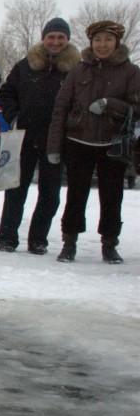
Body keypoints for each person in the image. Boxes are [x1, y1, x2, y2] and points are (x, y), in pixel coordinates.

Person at [46, 20, 140, 264]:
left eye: (108, 40)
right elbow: (61, 108)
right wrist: (54, 146)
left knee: (112, 196)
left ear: (117, 42)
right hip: (78, 140)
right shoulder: (79, 70)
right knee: (75, 195)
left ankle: (109, 244)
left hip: (112, 144)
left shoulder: (131, 72)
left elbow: (137, 108)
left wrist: (112, 104)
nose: (102, 45)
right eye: (97, 40)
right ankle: (69, 242)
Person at [0, 17, 78, 255]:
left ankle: (38, 239)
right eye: (51, 37)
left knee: (50, 194)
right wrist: (14, 116)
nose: (55, 41)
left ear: (67, 40)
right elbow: (7, 92)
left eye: (60, 37)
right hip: (24, 136)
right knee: (15, 190)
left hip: (55, 140)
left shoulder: (75, 69)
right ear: (44, 39)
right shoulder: (25, 65)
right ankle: (8, 237)